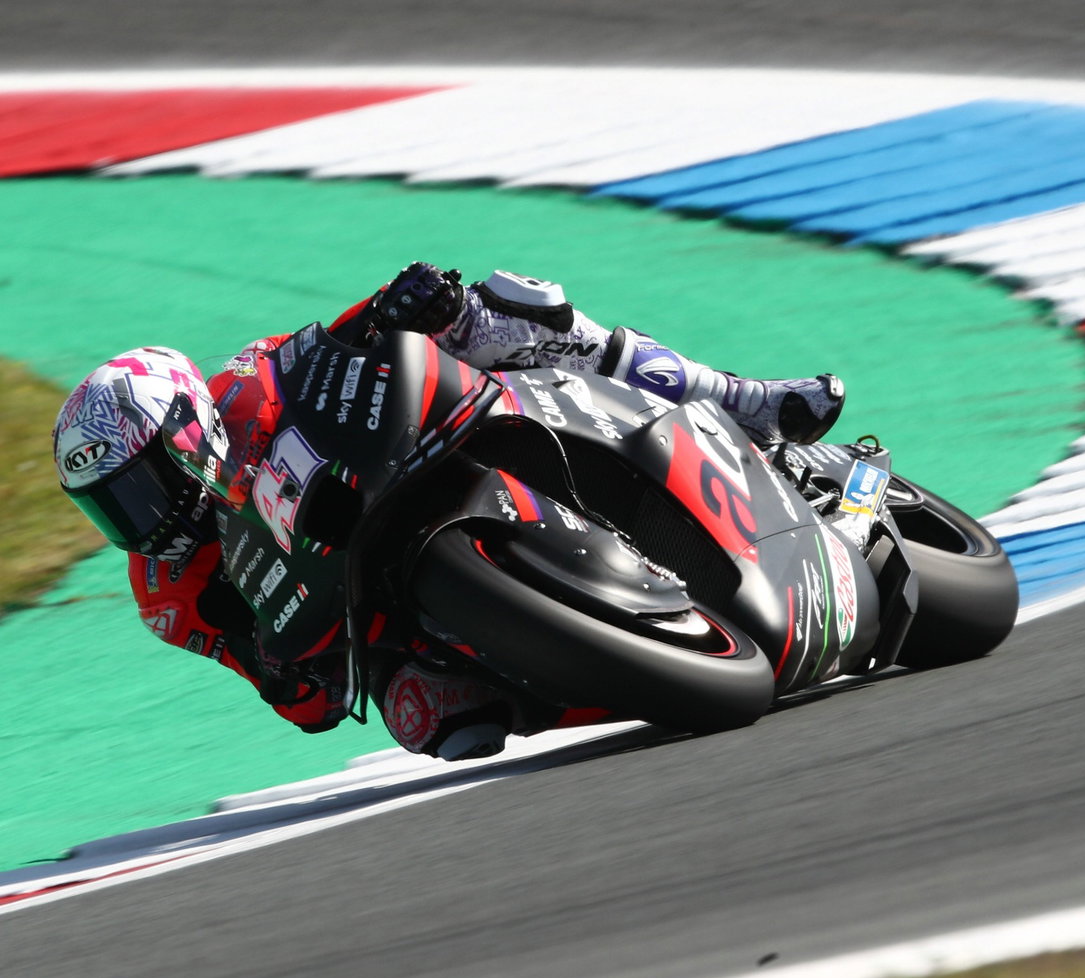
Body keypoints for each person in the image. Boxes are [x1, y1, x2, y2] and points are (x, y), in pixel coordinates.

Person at [52, 263, 845, 761]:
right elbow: (308, 708)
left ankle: (749, 402)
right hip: (373, 609)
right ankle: (622, 659)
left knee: (505, 308)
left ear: (186, 429)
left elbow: (331, 348)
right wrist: (279, 665)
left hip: (410, 451)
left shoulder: (243, 388)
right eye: (111, 506)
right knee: (426, 717)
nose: (140, 518)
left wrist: (413, 304)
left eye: (142, 483)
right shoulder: (168, 591)